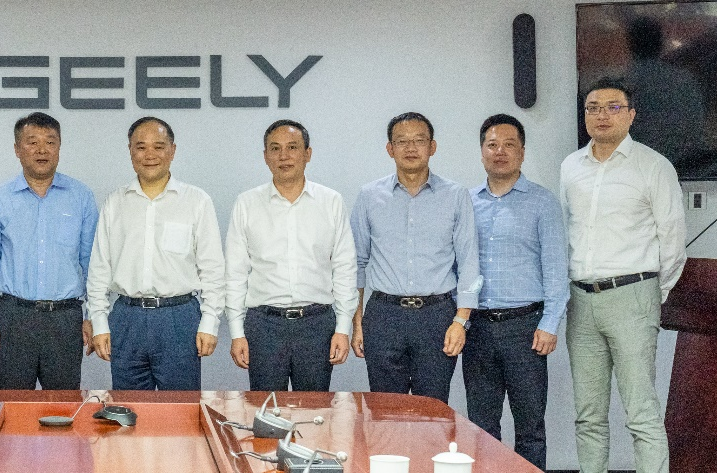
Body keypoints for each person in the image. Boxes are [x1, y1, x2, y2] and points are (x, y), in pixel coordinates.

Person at [562, 77, 685, 473]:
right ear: (585, 116)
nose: (602, 115)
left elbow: (673, 240)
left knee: (641, 412)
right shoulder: (570, 167)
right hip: (580, 300)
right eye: (593, 107)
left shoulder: (654, 166)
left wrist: (651, 294)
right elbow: (565, 231)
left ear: (631, 115)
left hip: (633, 296)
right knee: (588, 414)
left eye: (613, 107)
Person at [349, 111, 478, 404]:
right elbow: (356, 263)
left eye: (419, 141)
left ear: (432, 147)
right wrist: (357, 323)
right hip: (384, 315)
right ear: (389, 149)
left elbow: (469, 261)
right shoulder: (369, 196)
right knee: (385, 410)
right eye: (401, 141)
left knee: (433, 411)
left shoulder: (456, 195)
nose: (410, 148)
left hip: (437, 316)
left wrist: (461, 320)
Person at [87, 116, 225, 390]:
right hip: (127, 317)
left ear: (172, 151)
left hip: (179, 317)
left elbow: (213, 269)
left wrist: (210, 322)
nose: (149, 155)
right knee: (128, 408)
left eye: (158, 147)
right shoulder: (115, 203)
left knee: (180, 408)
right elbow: (99, 268)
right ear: (130, 151)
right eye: (141, 147)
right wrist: (99, 323)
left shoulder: (196, 201)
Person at [464, 114, 567, 470]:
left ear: (522, 152)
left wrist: (550, 323)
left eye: (509, 145)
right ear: (481, 152)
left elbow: (556, 268)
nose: (500, 152)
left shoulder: (542, 202)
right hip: (476, 328)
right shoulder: (466, 202)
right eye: (492, 145)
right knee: (481, 427)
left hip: (526, 327)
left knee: (530, 427)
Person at [224, 119, 356, 391]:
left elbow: (344, 267)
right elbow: (235, 273)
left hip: (317, 324)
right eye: (275, 148)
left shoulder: (331, 201)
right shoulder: (247, 203)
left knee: (314, 409)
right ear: (265, 156)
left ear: (308, 154)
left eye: (292, 147)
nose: (283, 156)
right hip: (264, 326)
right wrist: (237, 332)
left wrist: (343, 327)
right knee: (266, 409)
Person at [0, 112, 98, 389]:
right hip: (13, 317)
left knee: (63, 405)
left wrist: (92, 315)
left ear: (59, 148)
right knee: (11, 404)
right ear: (17, 149)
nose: (42, 150)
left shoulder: (81, 196)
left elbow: (92, 263)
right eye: (32, 142)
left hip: (65, 318)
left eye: (50, 142)